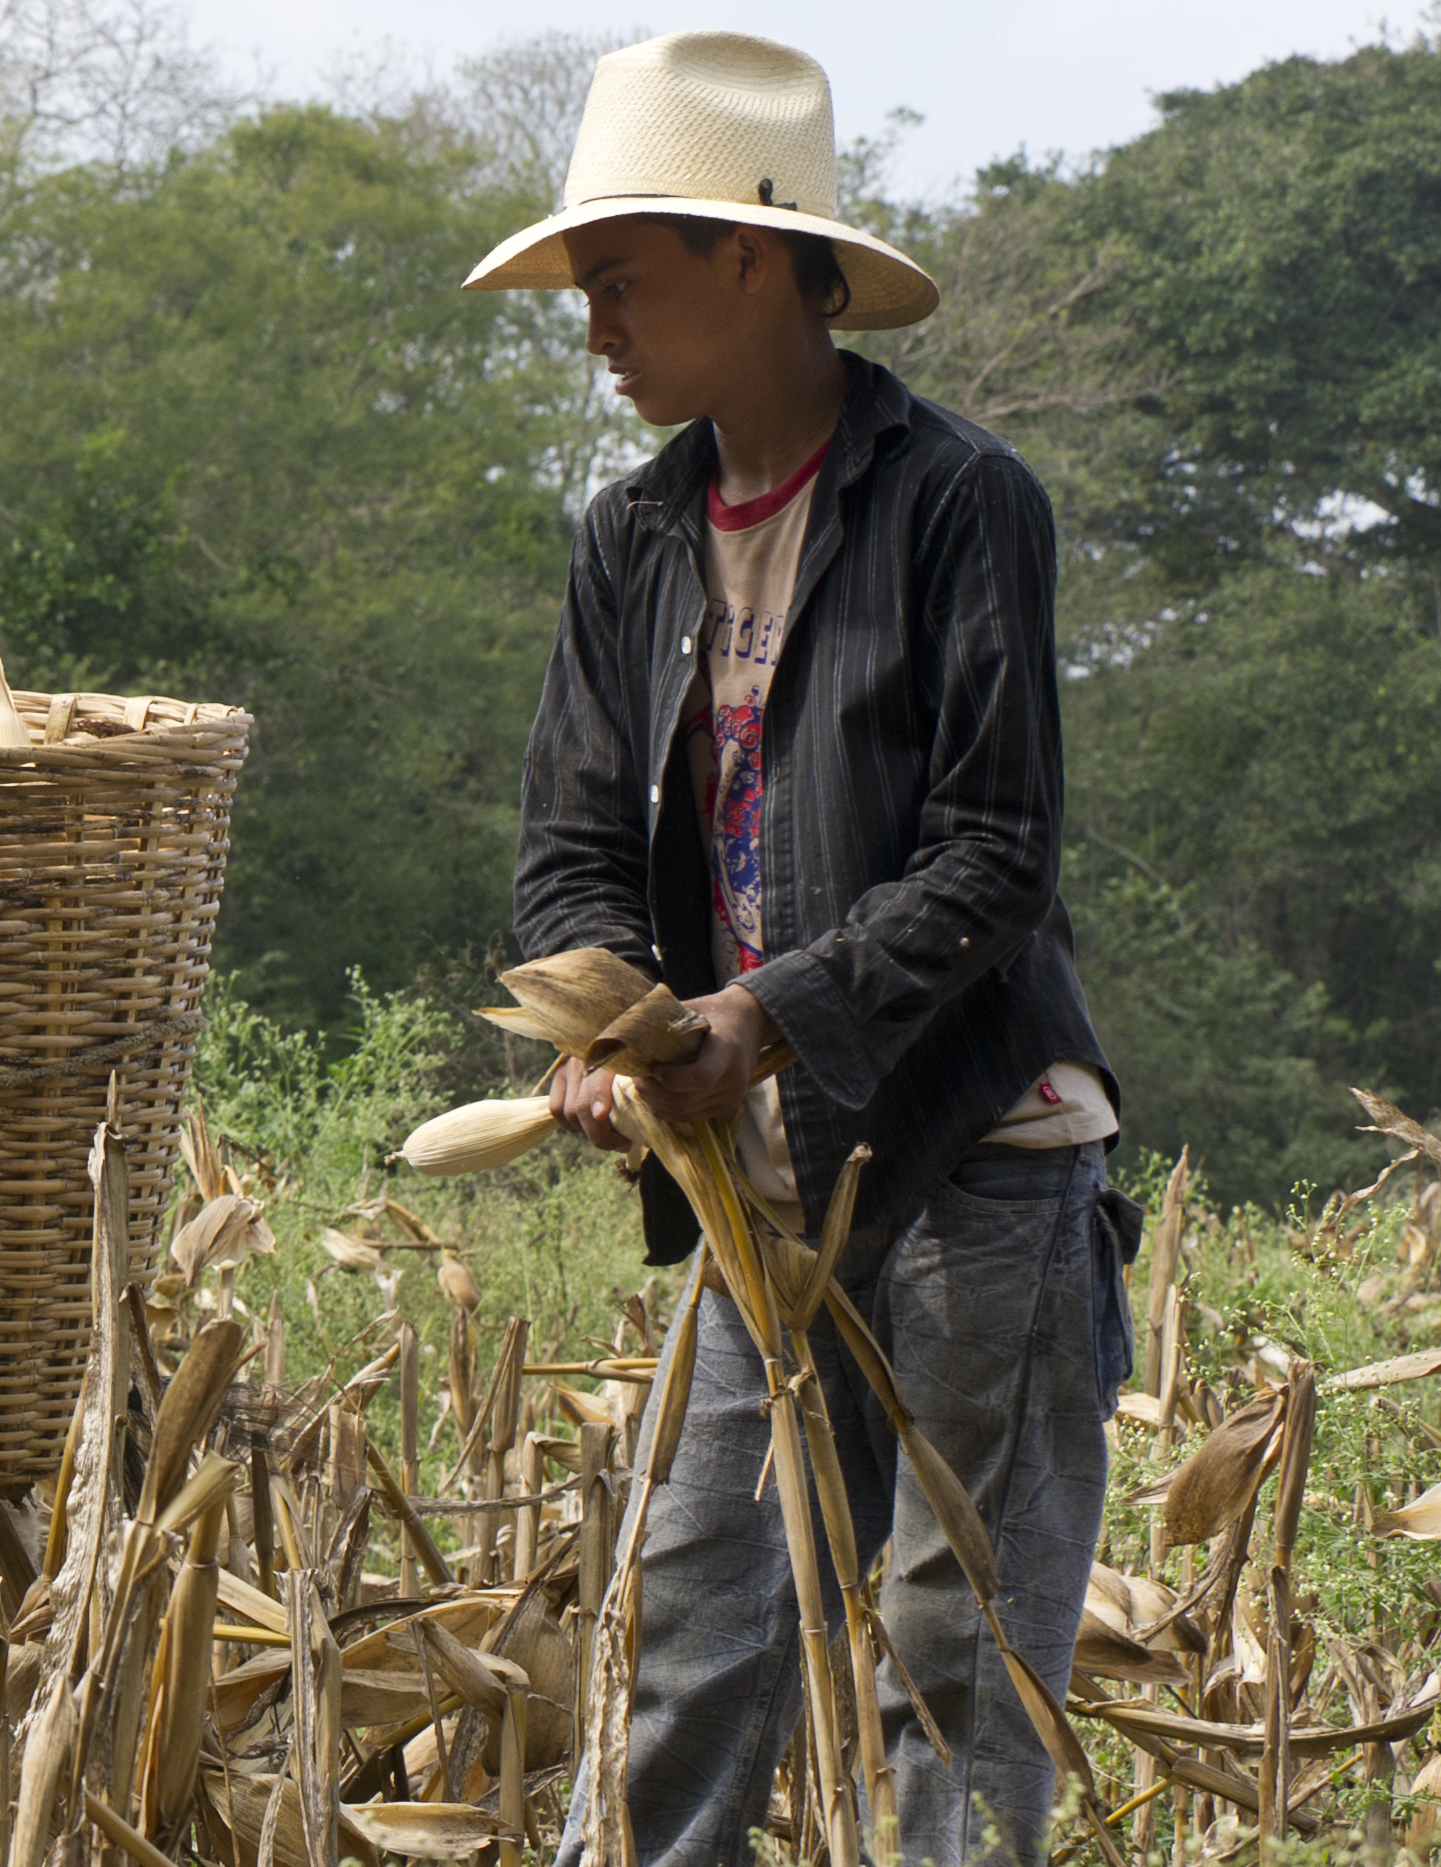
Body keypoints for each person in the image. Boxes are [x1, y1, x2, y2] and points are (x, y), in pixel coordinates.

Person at [471, 34, 1130, 1867]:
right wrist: (612, 1026)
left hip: (978, 1167)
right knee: (693, 1634)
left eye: (619, 281)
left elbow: (994, 854)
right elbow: (574, 845)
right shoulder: (632, 541)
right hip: (756, 1169)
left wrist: (757, 1017)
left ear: (750, 258)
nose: (593, 325)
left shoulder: (954, 503)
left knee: (956, 1666)